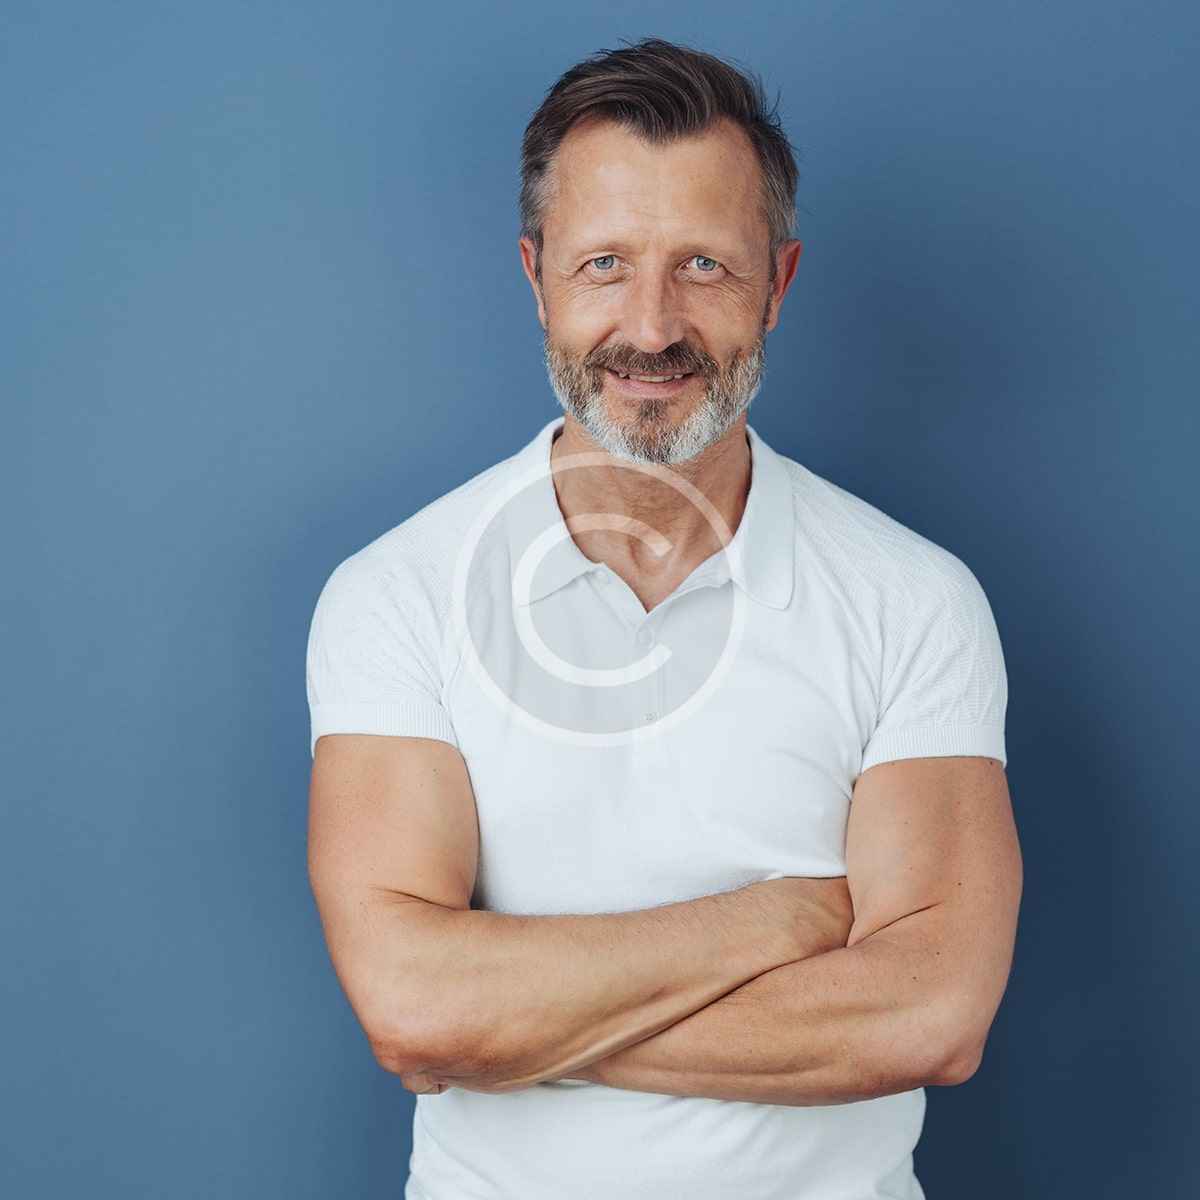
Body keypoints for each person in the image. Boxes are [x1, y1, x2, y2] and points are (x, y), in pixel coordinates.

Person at [305, 37, 1022, 1200]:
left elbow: (930, 1016)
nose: (650, 327)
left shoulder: (914, 599)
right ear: (536, 277)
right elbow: (416, 1010)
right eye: (604, 265)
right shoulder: (398, 594)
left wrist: (515, 1028)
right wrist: (773, 923)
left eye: (703, 264)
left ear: (777, 284)